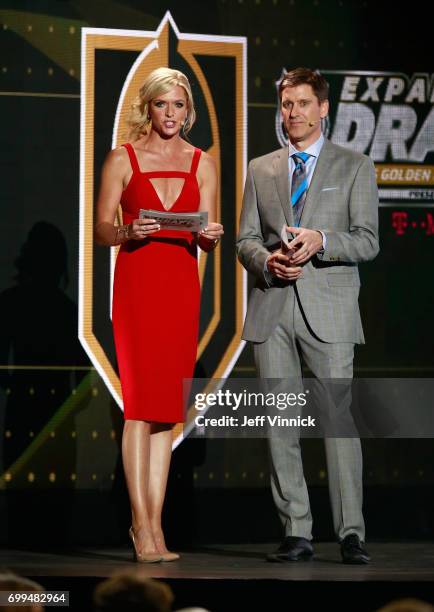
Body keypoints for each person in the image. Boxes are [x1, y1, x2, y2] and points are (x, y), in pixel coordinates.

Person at [236, 67, 379, 564]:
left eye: (301, 103)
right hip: (273, 305)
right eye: (286, 104)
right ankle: (296, 530)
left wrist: (323, 241)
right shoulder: (261, 168)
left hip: (330, 311)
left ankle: (350, 533)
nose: (292, 112)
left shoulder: (355, 165)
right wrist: (265, 259)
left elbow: (368, 240)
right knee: (281, 422)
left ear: (323, 108)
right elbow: (244, 239)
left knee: (338, 422)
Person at [95, 67, 223, 563]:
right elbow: (102, 228)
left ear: (188, 111)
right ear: (147, 108)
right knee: (140, 406)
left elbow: (207, 233)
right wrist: (129, 232)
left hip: (179, 291)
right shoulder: (122, 159)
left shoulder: (204, 163)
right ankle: (140, 524)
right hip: (137, 288)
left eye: (178, 106)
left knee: (167, 413)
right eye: (161, 104)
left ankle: (157, 527)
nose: (170, 114)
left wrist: (210, 238)